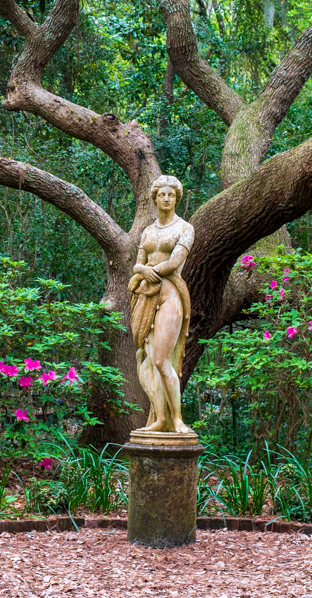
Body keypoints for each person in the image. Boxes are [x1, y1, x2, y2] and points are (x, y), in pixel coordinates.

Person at [128, 175, 194, 433]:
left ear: (176, 198)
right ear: (155, 199)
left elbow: (174, 263)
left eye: (171, 195)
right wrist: (143, 271)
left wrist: (147, 270)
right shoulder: (147, 231)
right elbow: (137, 263)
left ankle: (177, 419)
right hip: (146, 296)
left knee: (162, 359)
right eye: (161, 195)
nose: (166, 199)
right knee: (151, 359)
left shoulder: (185, 228)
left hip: (171, 296)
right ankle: (160, 419)